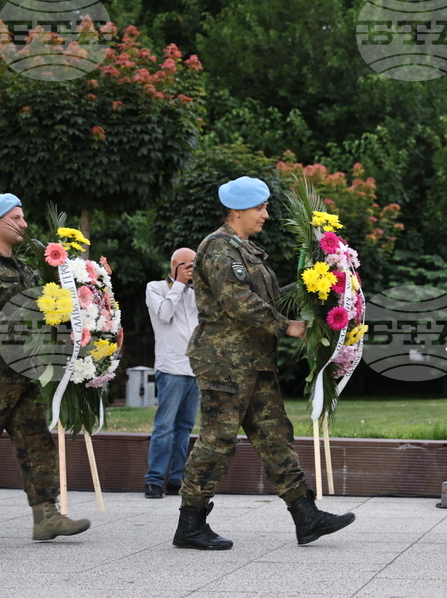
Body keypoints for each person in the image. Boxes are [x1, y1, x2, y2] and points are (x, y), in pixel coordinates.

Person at [173, 176, 356, 550]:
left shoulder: (248, 251)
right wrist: (286, 326)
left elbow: (267, 298)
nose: (266, 215)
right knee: (217, 440)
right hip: (224, 362)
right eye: (260, 208)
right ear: (238, 210)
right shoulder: (218, 248)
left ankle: (305, 515)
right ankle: (190, 523)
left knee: (275, 436)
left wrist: (318, 287)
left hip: (254, 361)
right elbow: (237, 301)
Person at [0, 193, 91, 546]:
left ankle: (46, 515)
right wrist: (35, 329)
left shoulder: (23, 267)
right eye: (17, 218)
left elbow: (46, 307)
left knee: (37, 442)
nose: (24, 224)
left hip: (23, 372)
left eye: (23, 218)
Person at [144, 247, 200, 499]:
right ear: (176, 265)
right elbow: (164, 315)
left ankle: (177, 479)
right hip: (171, 367)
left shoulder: (198, 292)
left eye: (195, 265)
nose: (193, 270)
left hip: (196, 369)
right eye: (188, 265)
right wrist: (178, 284)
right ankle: (154, 480)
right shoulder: (155, 287)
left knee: (185, 427)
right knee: (165, 426)